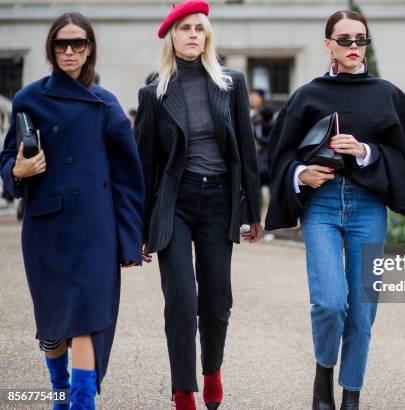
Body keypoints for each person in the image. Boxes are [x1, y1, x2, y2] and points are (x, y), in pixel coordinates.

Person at [265, 10, 405, 409]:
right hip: (320, 206)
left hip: (368, 207)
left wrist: (366, 152)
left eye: (360, 39)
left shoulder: (387, 94)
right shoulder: (307, 94)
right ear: (328, 45)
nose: (354, 47)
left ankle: (350, 396)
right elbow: (277, 153)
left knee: (362, 310)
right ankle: (323, 378)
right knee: (330, 302)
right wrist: (303, 174)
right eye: (345, 39)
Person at [0, 12, 144, 409]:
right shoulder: (29, 98)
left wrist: (130, 240)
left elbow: (129, 180)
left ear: (89, 48)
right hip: (47, 227)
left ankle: (80, 404)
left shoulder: (106, 104)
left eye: (77, 43)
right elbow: (8, 156)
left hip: (96, 230)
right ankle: (59, 394)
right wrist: (18, 169)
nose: (69, 51)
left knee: (85, 320)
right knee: (53, 327)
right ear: (51, 49)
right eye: (61, 44)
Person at [135, 2, 263, 409]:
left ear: (208, 36)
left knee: (216, 302)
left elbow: (246, 148)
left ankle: (212, 371)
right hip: (175, 200)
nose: (193, 34)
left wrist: (253, 212)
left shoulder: (231, 82)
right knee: (181, 300)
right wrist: (141, 229)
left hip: (219, 201)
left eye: (199, 29)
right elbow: (146, 165)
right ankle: (184, 389)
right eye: (185, 28)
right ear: (171, 36)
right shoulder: (154, 90)